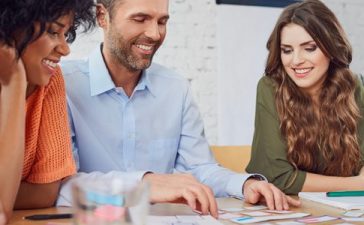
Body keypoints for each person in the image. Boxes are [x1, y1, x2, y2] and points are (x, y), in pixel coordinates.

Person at [57, 0, 300, 216]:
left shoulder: (175, 88)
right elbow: (61, 185)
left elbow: (199, 168)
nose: (154, 34)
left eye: (162, 21)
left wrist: (244, 184)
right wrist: (145, 185)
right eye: (140, 19)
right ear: (102, 17)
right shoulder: (64, 86)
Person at [246, 0, 364, 194]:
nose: (296, 60)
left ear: (330, 47)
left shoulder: (355, 86)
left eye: (309, 48)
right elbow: (280, 177)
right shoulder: (270, 88)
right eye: (287, 50)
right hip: (287, 210)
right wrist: (357, 184)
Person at [0, 0, 95, 221]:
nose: (65, 48)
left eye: (66, 33)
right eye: (53, 32)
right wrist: (13, 80)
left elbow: (46, 192)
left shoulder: (49, 82)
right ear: (10, 27)